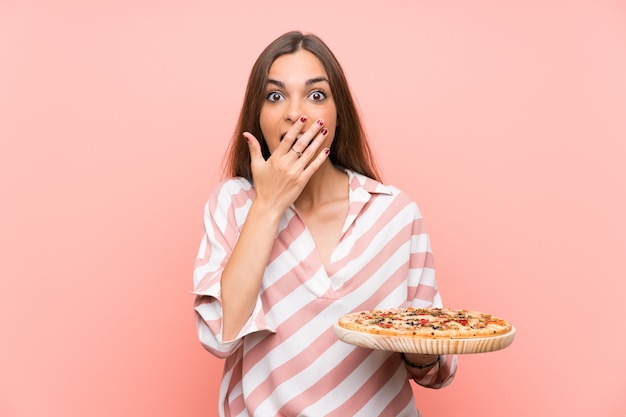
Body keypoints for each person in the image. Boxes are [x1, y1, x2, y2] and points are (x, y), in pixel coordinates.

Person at [193, 30, 458, 417]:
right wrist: (268, 204)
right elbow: (220, 336)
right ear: (258, 113)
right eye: (275, 95)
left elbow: (438, 368)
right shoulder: (233, 204)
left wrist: (420, 356)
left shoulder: (396, 213)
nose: (295, 113)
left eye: (316, 95)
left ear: (338, 113)